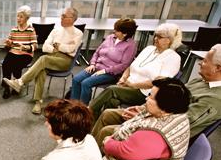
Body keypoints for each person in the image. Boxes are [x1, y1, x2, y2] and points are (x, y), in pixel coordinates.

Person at [92, 44, 221, 146]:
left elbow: (177, 125)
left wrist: (141, 116)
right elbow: (166, 100)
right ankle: (89, 149)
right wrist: (141, 109)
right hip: (152, 114)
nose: (200, 63)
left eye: (204, 61)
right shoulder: (201, 81)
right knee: (108, 113)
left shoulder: (214, 100)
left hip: (161, 134)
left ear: (218, 68)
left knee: (107, 131)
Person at [102, 78, 191, 160]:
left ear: (164, 106)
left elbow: (123, 151)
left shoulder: (155, 135)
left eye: (151, 97)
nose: (146, 99)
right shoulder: (176, 114)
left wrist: (108, 142)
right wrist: (141, 111)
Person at [89, 23, 182, 120]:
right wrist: (123, 78)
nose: (155, 39)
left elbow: (159, 83)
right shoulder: (149, 49)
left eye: (160, 37)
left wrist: (133, 85)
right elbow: (130, 66)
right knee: (112, 100)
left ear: (169, 40)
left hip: (143, 92)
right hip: (127, 85)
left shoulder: (173, 58)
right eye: (155, 36)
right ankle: (99, 121)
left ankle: (88, 113)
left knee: (111, 90)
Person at [4, 7, 83, 114]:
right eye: (61, 15)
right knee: (41, 70)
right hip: (51, 56)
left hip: (65, 60)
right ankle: (38, 102)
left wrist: (59, 46)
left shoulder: (78, 33)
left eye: (64, 16)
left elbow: (71, 50)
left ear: (73, 18)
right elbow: (45, 47)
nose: (61, 18)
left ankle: (20, 82)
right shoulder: (56, 30)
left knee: (43, 59)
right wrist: (59, 47)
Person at [71, 18, 137, 104]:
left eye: (117, 30)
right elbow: (97, 52)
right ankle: (72, 105)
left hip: (111, 73)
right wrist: (92, 64)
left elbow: (124, 65)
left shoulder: (131, 46)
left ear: (125, 33)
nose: (114, 31)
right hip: (96, 67)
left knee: (86, 83)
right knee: (76, 79)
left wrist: (105, 71)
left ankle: (83, 108)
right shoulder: (110, 37)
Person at [1, 5, 37, 99]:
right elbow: (8, 45)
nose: (18, 18)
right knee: (6, 64)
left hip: (26, 54)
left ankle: (16, 85)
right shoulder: (13, 29)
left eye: (21, 17)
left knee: (16, 65)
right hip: (13, 52)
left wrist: (26, 47)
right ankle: (7, 87)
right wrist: (8, 44)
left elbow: (35, 46)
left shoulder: (30, 30)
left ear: (26, 18)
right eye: (17, 16)